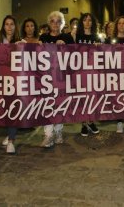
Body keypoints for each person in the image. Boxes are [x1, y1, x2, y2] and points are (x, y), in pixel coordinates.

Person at [39, 11, 74, 147]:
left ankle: (59, 131)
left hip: (62, 77)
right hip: (46, 78)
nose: (55, 24)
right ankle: (48, 135)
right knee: (47, 104)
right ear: (49, 23)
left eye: (58, 21)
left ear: (62, 23)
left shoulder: (68, 37)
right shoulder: (43, 37)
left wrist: (64, 47)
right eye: (52, 21)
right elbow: (35, 55)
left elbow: (76, 56)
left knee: (59, 105)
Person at [75, 13, 101, 137]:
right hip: (80, 70)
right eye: (85, 20)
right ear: (82, 22)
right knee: (83, 98)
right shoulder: (76, 35)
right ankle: (84, 123)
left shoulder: (97, 37)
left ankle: (91, 121)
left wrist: (99, 47)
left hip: (93, 70)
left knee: (92, 97)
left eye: (90, 20)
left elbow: (103, 53)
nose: (87, 22)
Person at [0, 15, 20, 154]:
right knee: (5, 110)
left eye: (12, 24)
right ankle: (10, 134)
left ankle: (11, 141)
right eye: (7, 24)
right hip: (1, 81)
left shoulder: (20, 41)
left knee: (13, 109)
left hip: (16, 81)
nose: (9, 27)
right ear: (3, 26)